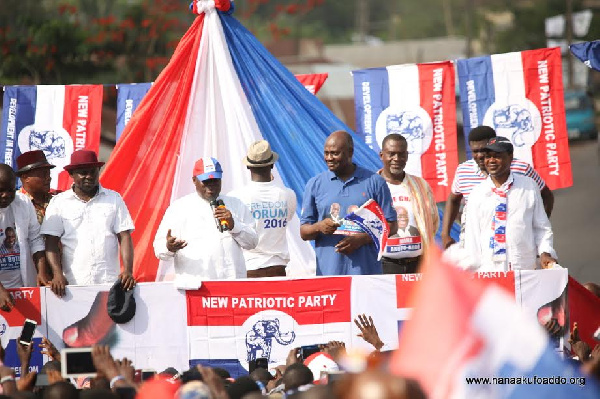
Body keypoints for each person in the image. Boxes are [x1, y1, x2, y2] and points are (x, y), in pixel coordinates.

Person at [300, 130, 397, 275]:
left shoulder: (374, 182)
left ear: (350, 152)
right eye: (326, 153)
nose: (329, 158)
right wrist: (319, 227)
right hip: (329, 274)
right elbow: (304, 232)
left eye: (335, 153)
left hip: (366, 274)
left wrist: (363, 239)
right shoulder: (315, 184)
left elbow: (392, 226)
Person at [441, 125, 554, 249]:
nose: (479, 155)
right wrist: (445, 234)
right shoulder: (463, 171)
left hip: (515, 245)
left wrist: (535, 227)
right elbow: (453, 200)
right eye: (474, 151)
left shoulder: (521, 169)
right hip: (475, 244)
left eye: (483, 150)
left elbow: (546, 196)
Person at [41, 150, 135, 297]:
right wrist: (57, 274)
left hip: (108, 282)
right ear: (71, 174)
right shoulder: (59, 202)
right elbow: (51, 243)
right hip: (73, 284)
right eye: (83, 173)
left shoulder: (114, 199)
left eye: (93, 172)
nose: (89, 177)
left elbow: (125, 236)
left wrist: (128, 270)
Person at [153, 157, 258, 288]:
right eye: (206, 181)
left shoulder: (236, 204)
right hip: (197, 288)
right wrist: (169, 247)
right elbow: (159, 249)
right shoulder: (179, 208)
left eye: (215, 181)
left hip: (231, 285)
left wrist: (233, 225)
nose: (211, 186)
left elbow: (253, 242)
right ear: (194, 180)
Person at [463, 137, 558, 271]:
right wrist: (473, 273)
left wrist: (545, 252)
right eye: (488, 157)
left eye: (497, 156)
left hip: (524, 267)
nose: (491, 161)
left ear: (510, 156)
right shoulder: (477, 194)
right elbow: (472, 239)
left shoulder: (528, 186)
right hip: (490, 271)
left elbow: (542, 227)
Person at [228, 140, 296, 278]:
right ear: (271, 164)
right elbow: (287, 218)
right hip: (278, 269)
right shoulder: (287, 194)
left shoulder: (235, 197)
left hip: (249, 268)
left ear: (248, 166)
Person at [378, 134, 439, 274]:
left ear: (407, 156)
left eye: (401, 154)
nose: (396, 159)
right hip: (385, 266)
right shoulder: (372, 187)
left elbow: (433, 222)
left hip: (418, 266)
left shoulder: (421, 185)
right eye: (391, 154)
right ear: (382, 155)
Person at [0, 164, 46, 309]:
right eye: (0, 190)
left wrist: (42, 272)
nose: (5, 195)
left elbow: (36, 239)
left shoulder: (23, 203)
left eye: (10, 190)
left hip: (23, 288)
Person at [15, 150, 58, 224]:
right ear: (26, 177)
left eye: (48, 174)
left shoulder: (56, 201)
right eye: (43, 174)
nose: (48, 178)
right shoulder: (16, 202)